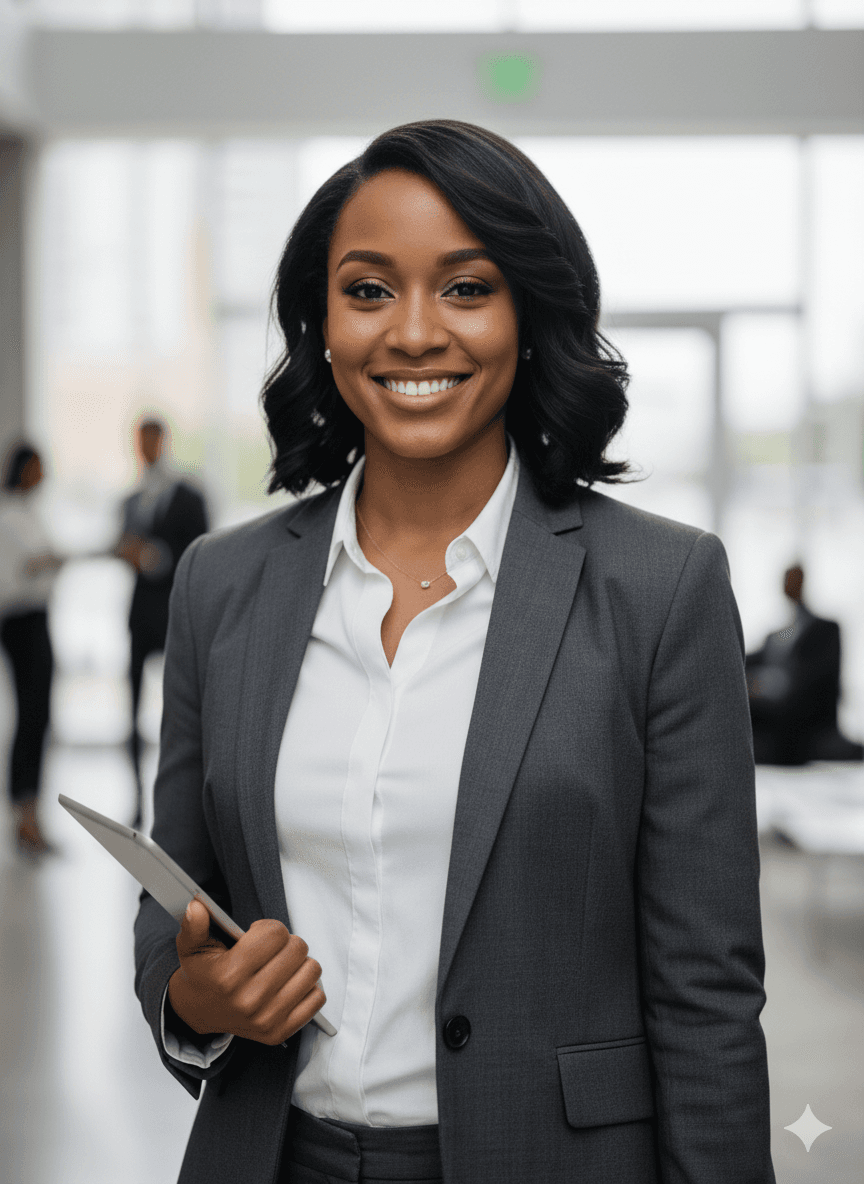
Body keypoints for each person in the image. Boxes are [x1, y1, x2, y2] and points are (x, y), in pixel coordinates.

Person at [134, 121, 773, 1184]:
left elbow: (707, 994)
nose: (416, 333)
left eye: (468, 288)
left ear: (529, 313)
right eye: (370, 290)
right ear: (320, 324)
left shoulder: (660, 590)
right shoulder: (221, 585)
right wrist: (195, 997)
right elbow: (175, 908)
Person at [117, 418, 208, 827]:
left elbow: (199, 551)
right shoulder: (131, 499)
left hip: (174, 613)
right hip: (139, 616)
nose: (144, 448)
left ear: (162, 441)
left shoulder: (188, 494)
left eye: (149, 440)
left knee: (182, 709)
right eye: (139, 442)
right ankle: (136, 796)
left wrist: (152, 556)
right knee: (131, 708)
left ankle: (182, 803)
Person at [0, 443, 61, 854]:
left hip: (36, 619)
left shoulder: (30, 512)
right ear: (24, 470)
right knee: (32, 715)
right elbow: (31, 565)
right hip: (21, 621)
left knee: (38, 716)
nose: (44, 473)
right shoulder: (10, 515)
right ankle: (25, 816)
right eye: (38, 466)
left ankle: (30, 813)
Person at [746, 563, 863, 765]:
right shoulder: (779, 635)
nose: (789, 585)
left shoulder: (825, 629)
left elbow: (817, 677)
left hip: (804, 720)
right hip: (771, 716)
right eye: (786, 580)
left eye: (794, 579)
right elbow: (746, 661)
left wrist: (777, 683)